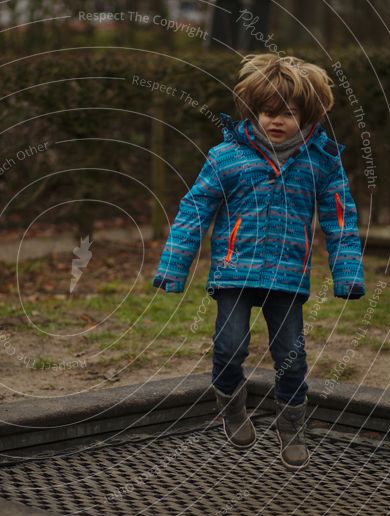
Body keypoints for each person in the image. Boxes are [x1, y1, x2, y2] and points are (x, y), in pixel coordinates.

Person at [153, 54, 366, 470]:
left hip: (287, 277)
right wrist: (173, 267)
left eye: (288, 113)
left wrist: (349, 272)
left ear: (306, 115)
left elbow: (341, 218)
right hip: (235, 273)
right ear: (253, 112)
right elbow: (194, 210)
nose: (276, 121)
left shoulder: (321, 162)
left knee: (291, 354)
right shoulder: (226, 157)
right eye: (268, 112)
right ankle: (231, 403)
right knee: (229, 346)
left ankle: (291, 426)